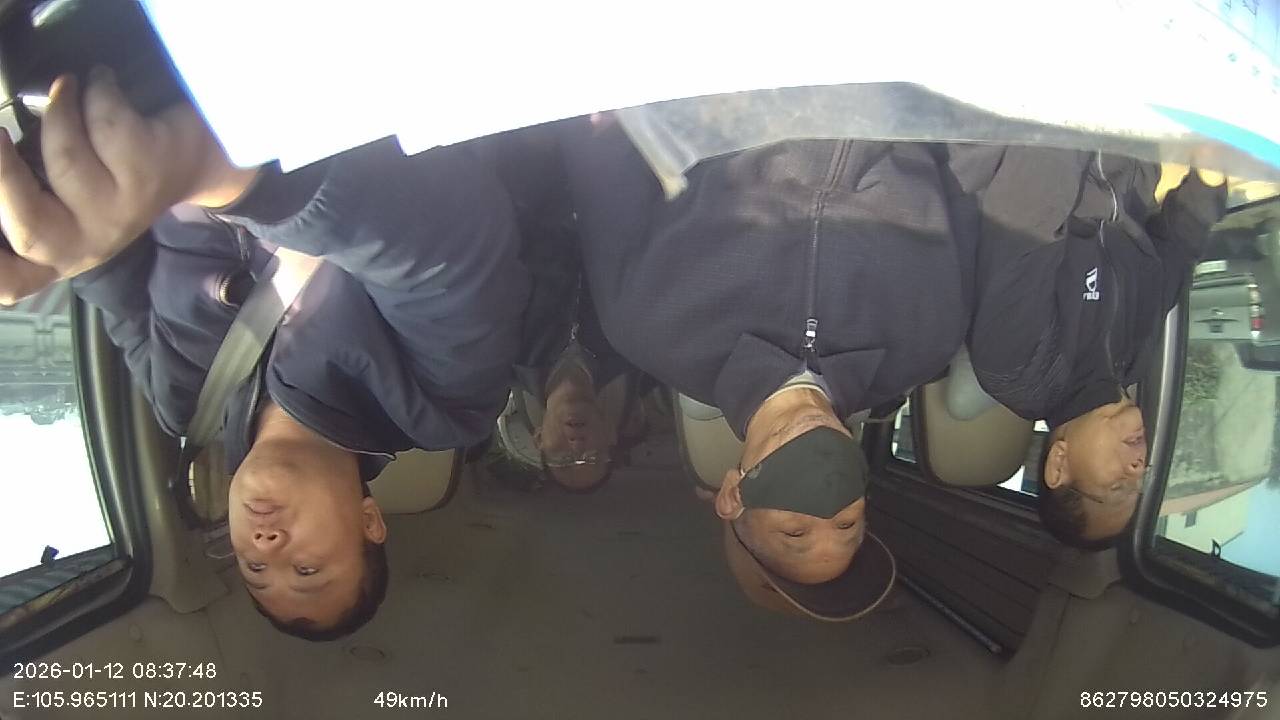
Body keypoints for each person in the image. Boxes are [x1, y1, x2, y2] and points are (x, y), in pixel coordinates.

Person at [0, 71, 529, 637]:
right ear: (369, 521)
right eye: (307, 569)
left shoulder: (181, 404)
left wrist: (49, 245)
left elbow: (106, 272)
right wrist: (215, 173)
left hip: (120, 82)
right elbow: (444, 246)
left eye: (254, 568)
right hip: (312, 74)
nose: (268, 545)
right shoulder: (440, 407)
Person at [558, 115, 965, 617]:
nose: (826, 504)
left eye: (795, 532)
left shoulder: (648, 327)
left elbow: (602, 137)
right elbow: (975, 161)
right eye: (846, 524)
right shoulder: (927, 341)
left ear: (733, 494)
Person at [954, 145, 1227, 549]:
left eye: (1117, 486)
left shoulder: (1015, 365)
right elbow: (1178, 247)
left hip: (1067, 133)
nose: (1137, 467)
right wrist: (1210, 178)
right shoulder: (1133, 362)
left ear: (1059, 464)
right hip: (1133, 146)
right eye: (1139, 481)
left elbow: (1033, 192)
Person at [493, 124, 642, 494]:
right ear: (610, 435)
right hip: (617, 168)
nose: (576, 446)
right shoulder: (643, 353)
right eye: (592, 456)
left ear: (539, 437)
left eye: (561, 457)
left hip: (525, 165)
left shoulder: (504, 355)